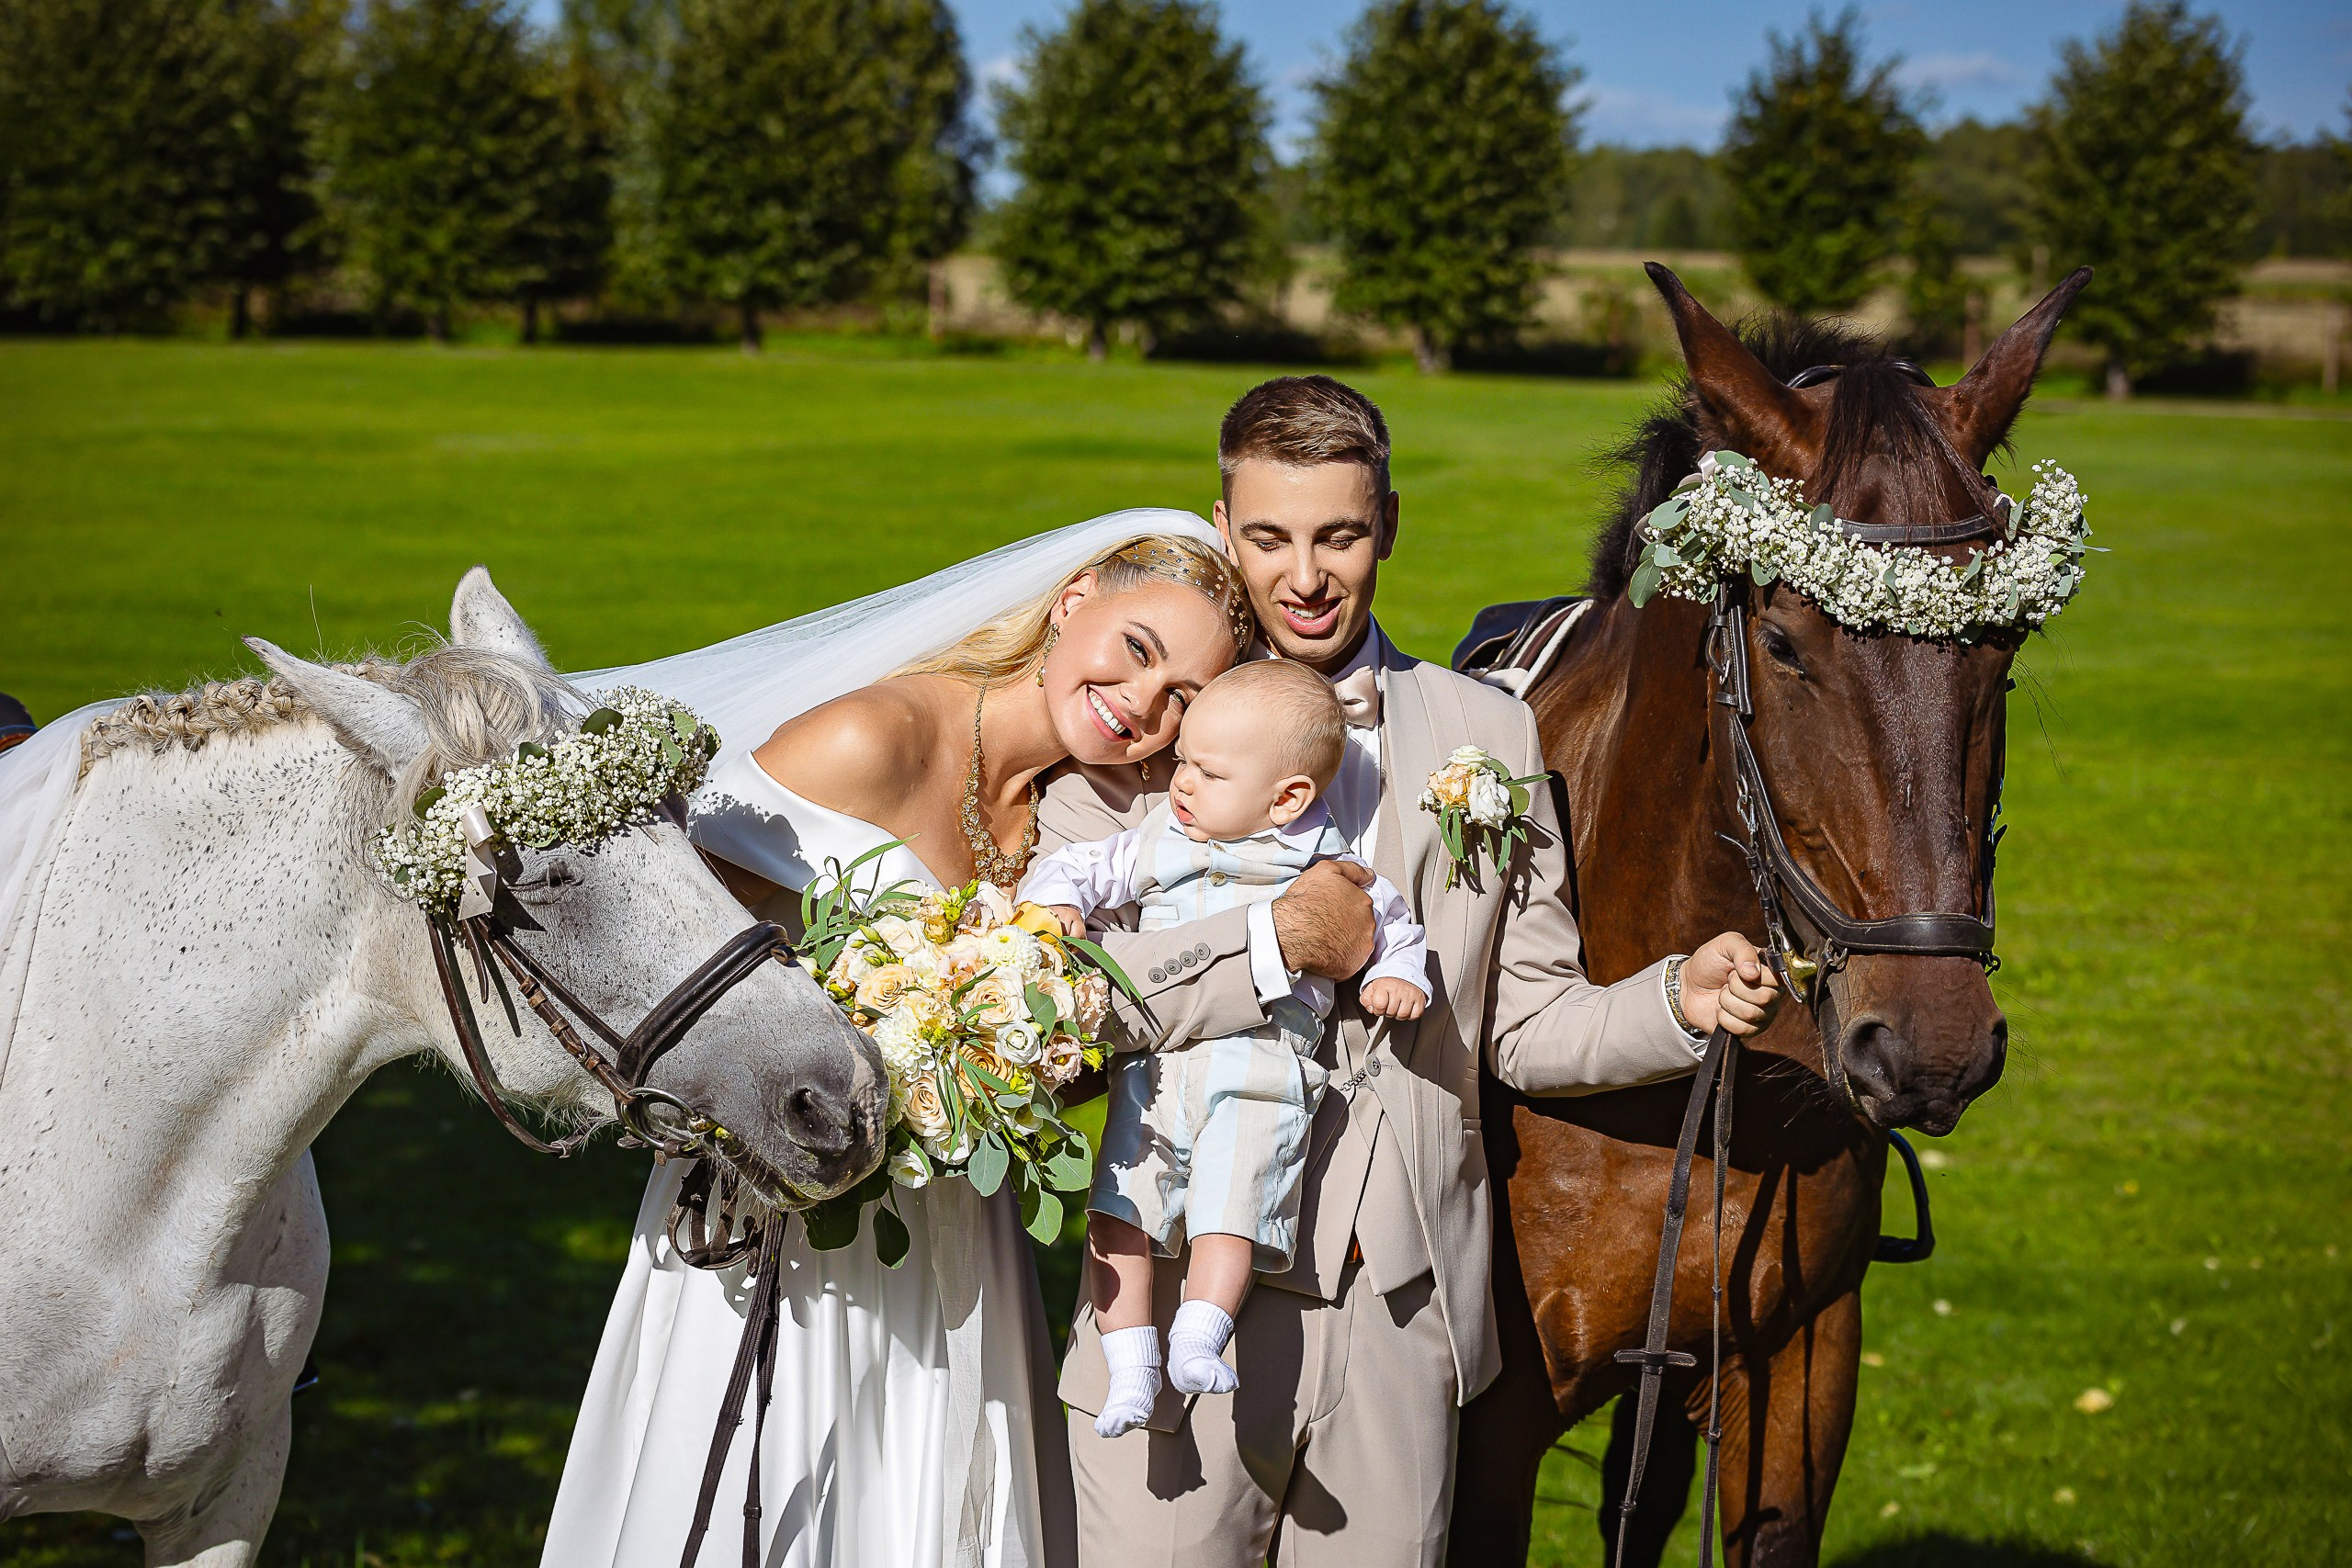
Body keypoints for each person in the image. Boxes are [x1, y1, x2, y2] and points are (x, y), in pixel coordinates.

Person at [1042, 377, 1783, 1567]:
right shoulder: (1144, 742)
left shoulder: (1483, 734)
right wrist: (1280, 939)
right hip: (1180, 1294)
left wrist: (1673, 1002)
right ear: (1224, 528)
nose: (1306, 575)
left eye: (1339, 533)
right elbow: (1075, 998)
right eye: (1271, 537)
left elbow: (1523, 1021)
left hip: (1401, 1311)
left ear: (1387, 520)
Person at [541, 520, 1257, 1568]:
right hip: (783, 1227)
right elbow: (668, 962)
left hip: (963, 1240)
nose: (1144, 706)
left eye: (1185, 698)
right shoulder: (869, 739)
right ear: (1075, 599)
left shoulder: (1090, 820)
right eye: (1138, 650)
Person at [1019, 661, 1428, 1439]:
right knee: (1118, 1209)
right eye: (1182, 761)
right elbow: (1081, 866)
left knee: (1234, 1203)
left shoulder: (1325, 859)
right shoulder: (1160, 837)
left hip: (1262, 1067)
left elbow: (1391, 923)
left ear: (1287, 799)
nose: (1181, 782)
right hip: (1158, 1068)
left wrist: (1398, 974)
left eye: (1207, 770)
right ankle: (1132, 1365)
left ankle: (1200, 1334)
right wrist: (1058, 902)